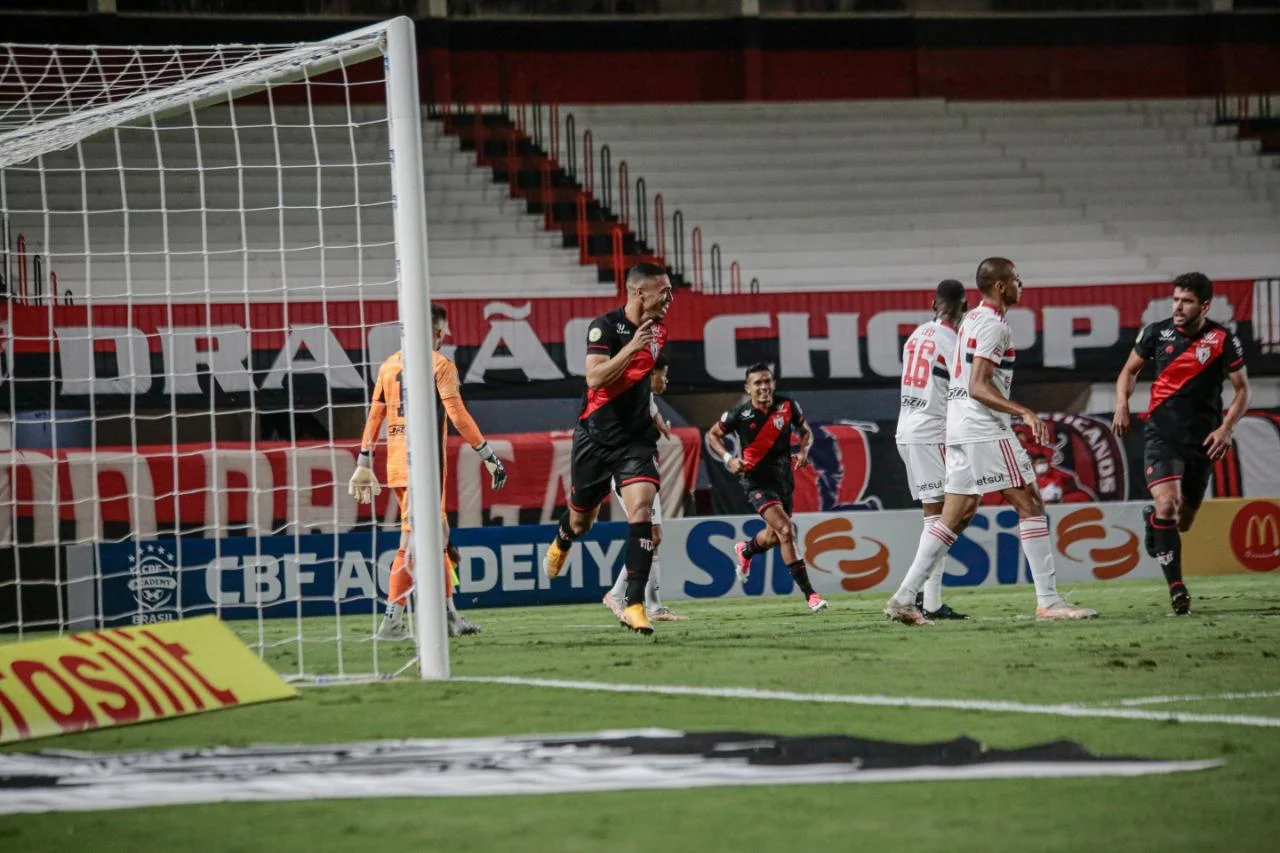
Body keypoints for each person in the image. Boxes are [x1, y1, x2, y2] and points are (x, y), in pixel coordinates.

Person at [884, 257, 1097, 625]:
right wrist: (1025, 412)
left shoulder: (970, 322)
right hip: (983, 427)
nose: (1021, 284)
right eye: (1015, 279)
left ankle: (904, 598)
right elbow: (978, 385)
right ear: (1000, 286)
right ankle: (1048, 601)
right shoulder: (993, 327)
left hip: (956, 427)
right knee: (1030, 501)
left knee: (955, 515)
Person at [349, 304, 508, 640]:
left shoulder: (388, 365)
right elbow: (458, 415)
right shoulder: (440, 364)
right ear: (437, 333)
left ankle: (448, 617)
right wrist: (487, 454)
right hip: (424, 467)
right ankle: (392, 621)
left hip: (397, 465)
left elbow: (374, 416)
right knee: (414, 541)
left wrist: (364, 461)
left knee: (437, 536)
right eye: (442, 332)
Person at [543, 262, 673, 637]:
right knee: (583, 521)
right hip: (595, 439)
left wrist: (653, 410)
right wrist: (632, 347)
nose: (669, 298)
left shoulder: (659, 330)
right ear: (639, 292)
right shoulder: (604, 326)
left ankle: (633, 604)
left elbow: (640, 381)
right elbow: (595, 377)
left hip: (636, 440)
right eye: (663, 291)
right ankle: (564, 538)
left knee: (643, 511)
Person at [1112, 272, 1249, 615]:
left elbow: (1242, 390)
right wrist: (1122, 404)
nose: (1178, 307)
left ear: (1204, 305)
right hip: (1162, 435)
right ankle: (1176, 589)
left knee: (1182, 521)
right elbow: (1129, 371)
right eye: (1175, 300)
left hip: (1202, 441)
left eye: (1186, 301)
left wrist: (1226, 428)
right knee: (1169, 505)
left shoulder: (1222, 339)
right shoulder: (1156, 333)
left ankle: (1152, 522)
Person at [707, 363, 828, 614]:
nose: (763, 387)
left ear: (773, 383)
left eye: (767, 381)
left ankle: (746, 549)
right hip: (755, 482)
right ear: (748, 388)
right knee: (786, 530)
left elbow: (805, 432)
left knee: (773, 536)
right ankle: (811, 595)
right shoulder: (739, 415)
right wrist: (729, 459)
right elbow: (712, 435)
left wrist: (804, 450)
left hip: (783, 481)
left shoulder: (788, 406)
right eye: (757, 383)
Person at [895, 279, 970, 621]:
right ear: (964, 307)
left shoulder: (915, 336)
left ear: (933, 305)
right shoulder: (954, 341)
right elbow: (960, 392)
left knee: (936, 517)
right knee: (945, 517)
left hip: (906, 427)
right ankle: (914, 598)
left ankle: (933, 603)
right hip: (932, 429)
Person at [602, 354, 687, 622]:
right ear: (651, 374)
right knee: (649, 534)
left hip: (643, 472)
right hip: (631, 474)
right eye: (664, 374)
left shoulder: (645, 399)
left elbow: (656, 419)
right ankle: (617, 594)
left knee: (655, 537)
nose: (667, 380)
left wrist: (661, 426)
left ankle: (653, 605)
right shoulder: (629, 398)